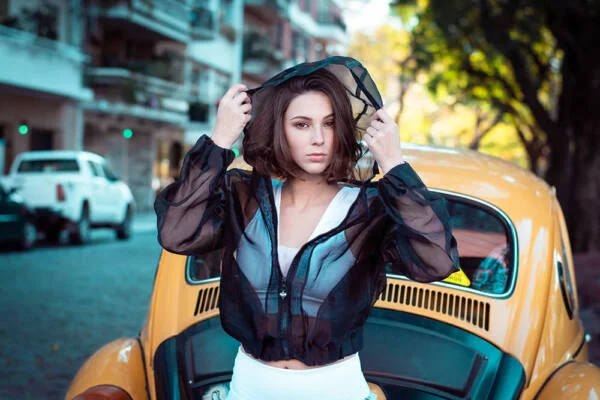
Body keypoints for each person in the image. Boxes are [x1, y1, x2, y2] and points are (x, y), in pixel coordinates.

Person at [154, 56, 460, 400]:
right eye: (301, 124)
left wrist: (393, 163)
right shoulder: (245, 198)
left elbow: (437, 262)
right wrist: (220, 140)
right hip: (246, 389)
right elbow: (176, 233)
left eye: (329, 124)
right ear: (279, 130)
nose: (318, 138)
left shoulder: (369, 209)